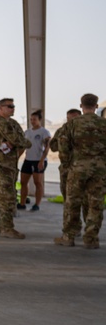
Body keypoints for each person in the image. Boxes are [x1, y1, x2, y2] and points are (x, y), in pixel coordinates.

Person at [54, 93, 106, 249]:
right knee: (96, 204)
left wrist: (68, 164)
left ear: (81, 106)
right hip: (100, 170)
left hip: (78, 168)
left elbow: (62, 147)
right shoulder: (104, 124)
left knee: (72, 202)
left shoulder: (72, 124)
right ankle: (91, 238)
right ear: (96, 106)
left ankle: (68, 236)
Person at [0, 98, 30, 239]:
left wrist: (18, 142)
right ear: (0, 108)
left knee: (1, 197)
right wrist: (21, 142)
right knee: (7, 197)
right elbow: (20, 140)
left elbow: (20, 138)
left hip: (9, 165)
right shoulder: (0, 122)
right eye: (9, 106)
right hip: (1, 165)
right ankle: (7, 228)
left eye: (13, 106)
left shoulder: (12, 123)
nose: (13, 108)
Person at [50, 108, 82, 211]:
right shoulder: (62, 130)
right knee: (67, 197)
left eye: (74, 118)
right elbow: (53, 147)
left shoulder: (86, 130)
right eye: (69, 119)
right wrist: (64, 144)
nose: (71, 121)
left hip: (83, 168)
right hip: (66, 168)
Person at [20, 110, 51, 212]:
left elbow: (47, 147)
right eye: (31, 119)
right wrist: (17, 157)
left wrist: (42, 160)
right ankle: (22, 203)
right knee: (23, 182)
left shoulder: (44, 132)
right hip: (28, 160)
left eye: (35, 119)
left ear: (40, 120)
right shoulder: (27, 132)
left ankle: (37, 204)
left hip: (38, 160)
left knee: (37, 182)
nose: (32, 121)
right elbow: (23, 147)